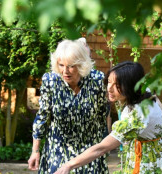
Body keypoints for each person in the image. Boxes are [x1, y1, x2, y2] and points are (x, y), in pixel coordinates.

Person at [54, 61, 162, 174]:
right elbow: (156, 99)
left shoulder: (138, 115)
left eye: (117, 85)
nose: (109, 88)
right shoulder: (142, 90)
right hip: (156, 148)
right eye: (109, 82)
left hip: (152, 160)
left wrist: (69, 165)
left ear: (130, 86)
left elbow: (102, 148)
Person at [28, 39, 110, 173]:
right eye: (61, 65)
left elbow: (102, 116)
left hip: (89, 150)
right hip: (57, 150)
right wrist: (35, 151)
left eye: (71, 66)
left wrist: (102, 150)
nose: (65, 71)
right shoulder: (50, 81)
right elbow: (42, 117)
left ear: (82, 64)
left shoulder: (97, 80)